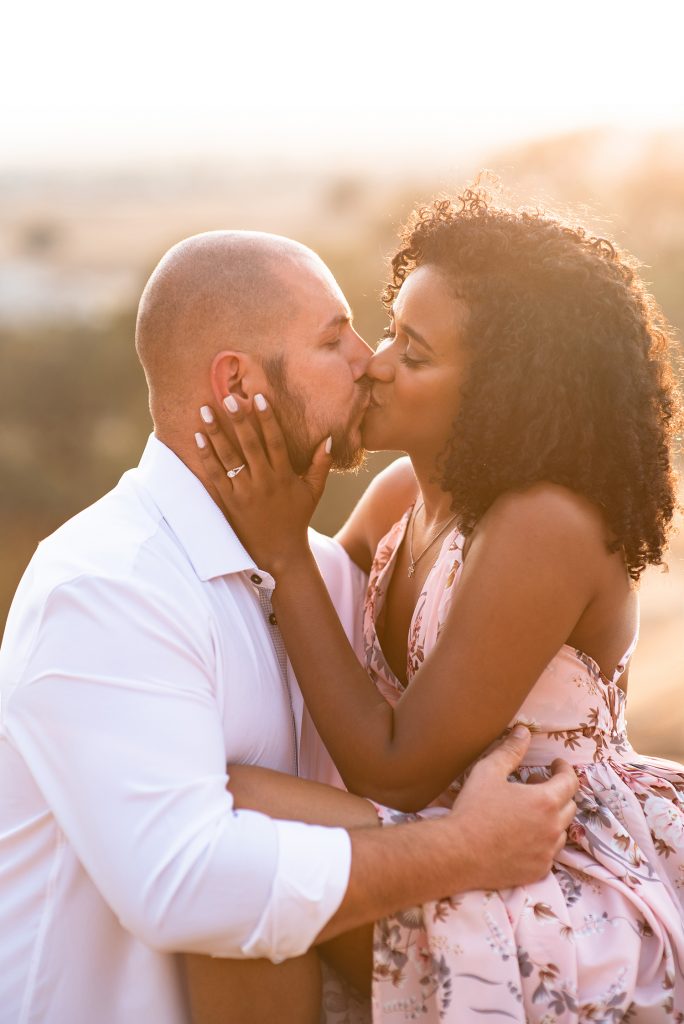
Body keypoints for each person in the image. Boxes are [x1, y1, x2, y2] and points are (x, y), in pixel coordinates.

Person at [0, 230, 578, 1024]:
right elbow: (183, 884)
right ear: (237, 382)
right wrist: (466, 849)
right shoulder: (107, 588)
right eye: (333, 340)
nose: (368, 360)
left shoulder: (325, 579)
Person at [194, 189, 684, 1021]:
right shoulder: (401, 498)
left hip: (549, 866)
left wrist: (284, 548)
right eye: (390, 332)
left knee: (235, 830)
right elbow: (300, 623)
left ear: (502, 394)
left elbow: (397, 765)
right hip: (439, 835)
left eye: (413, 355)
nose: (376, 364)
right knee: (229, 838)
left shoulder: (543, 525)